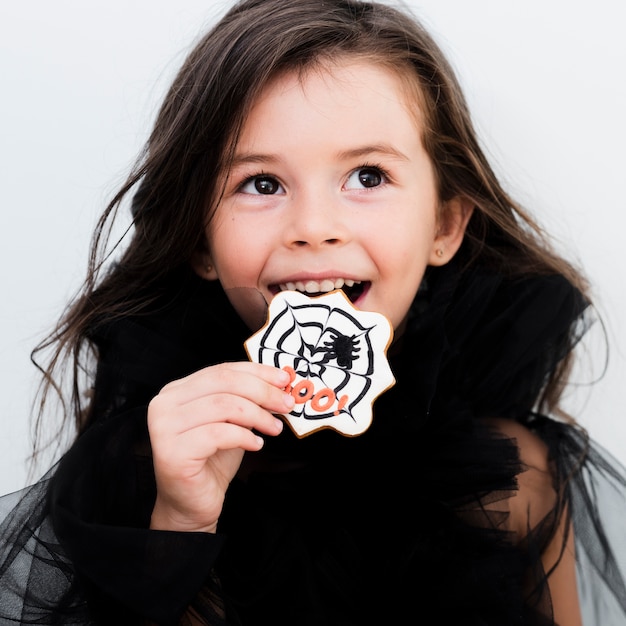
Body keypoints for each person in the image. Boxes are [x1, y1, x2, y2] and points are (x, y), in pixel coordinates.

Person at [1, 0, 625, 623]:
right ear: (200, 242)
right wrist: (180, 528)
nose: (314, 228)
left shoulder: (517, 478)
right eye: (262, 184)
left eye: (368, 176)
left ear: (445, 223)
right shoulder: (152, 469)